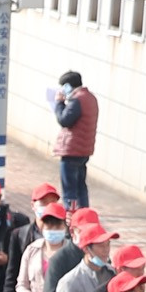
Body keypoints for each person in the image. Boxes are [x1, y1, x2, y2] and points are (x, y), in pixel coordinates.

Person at [50, 71, 99, 210]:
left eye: (63, 87)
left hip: (72, 150)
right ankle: (84, 214)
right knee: (81, 186)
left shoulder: (77, 100)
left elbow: (64, 120)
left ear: (67, 86)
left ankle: (70, 216)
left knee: (69, 190)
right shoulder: (90, 98)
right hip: (84, 150)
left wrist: (59, 103)